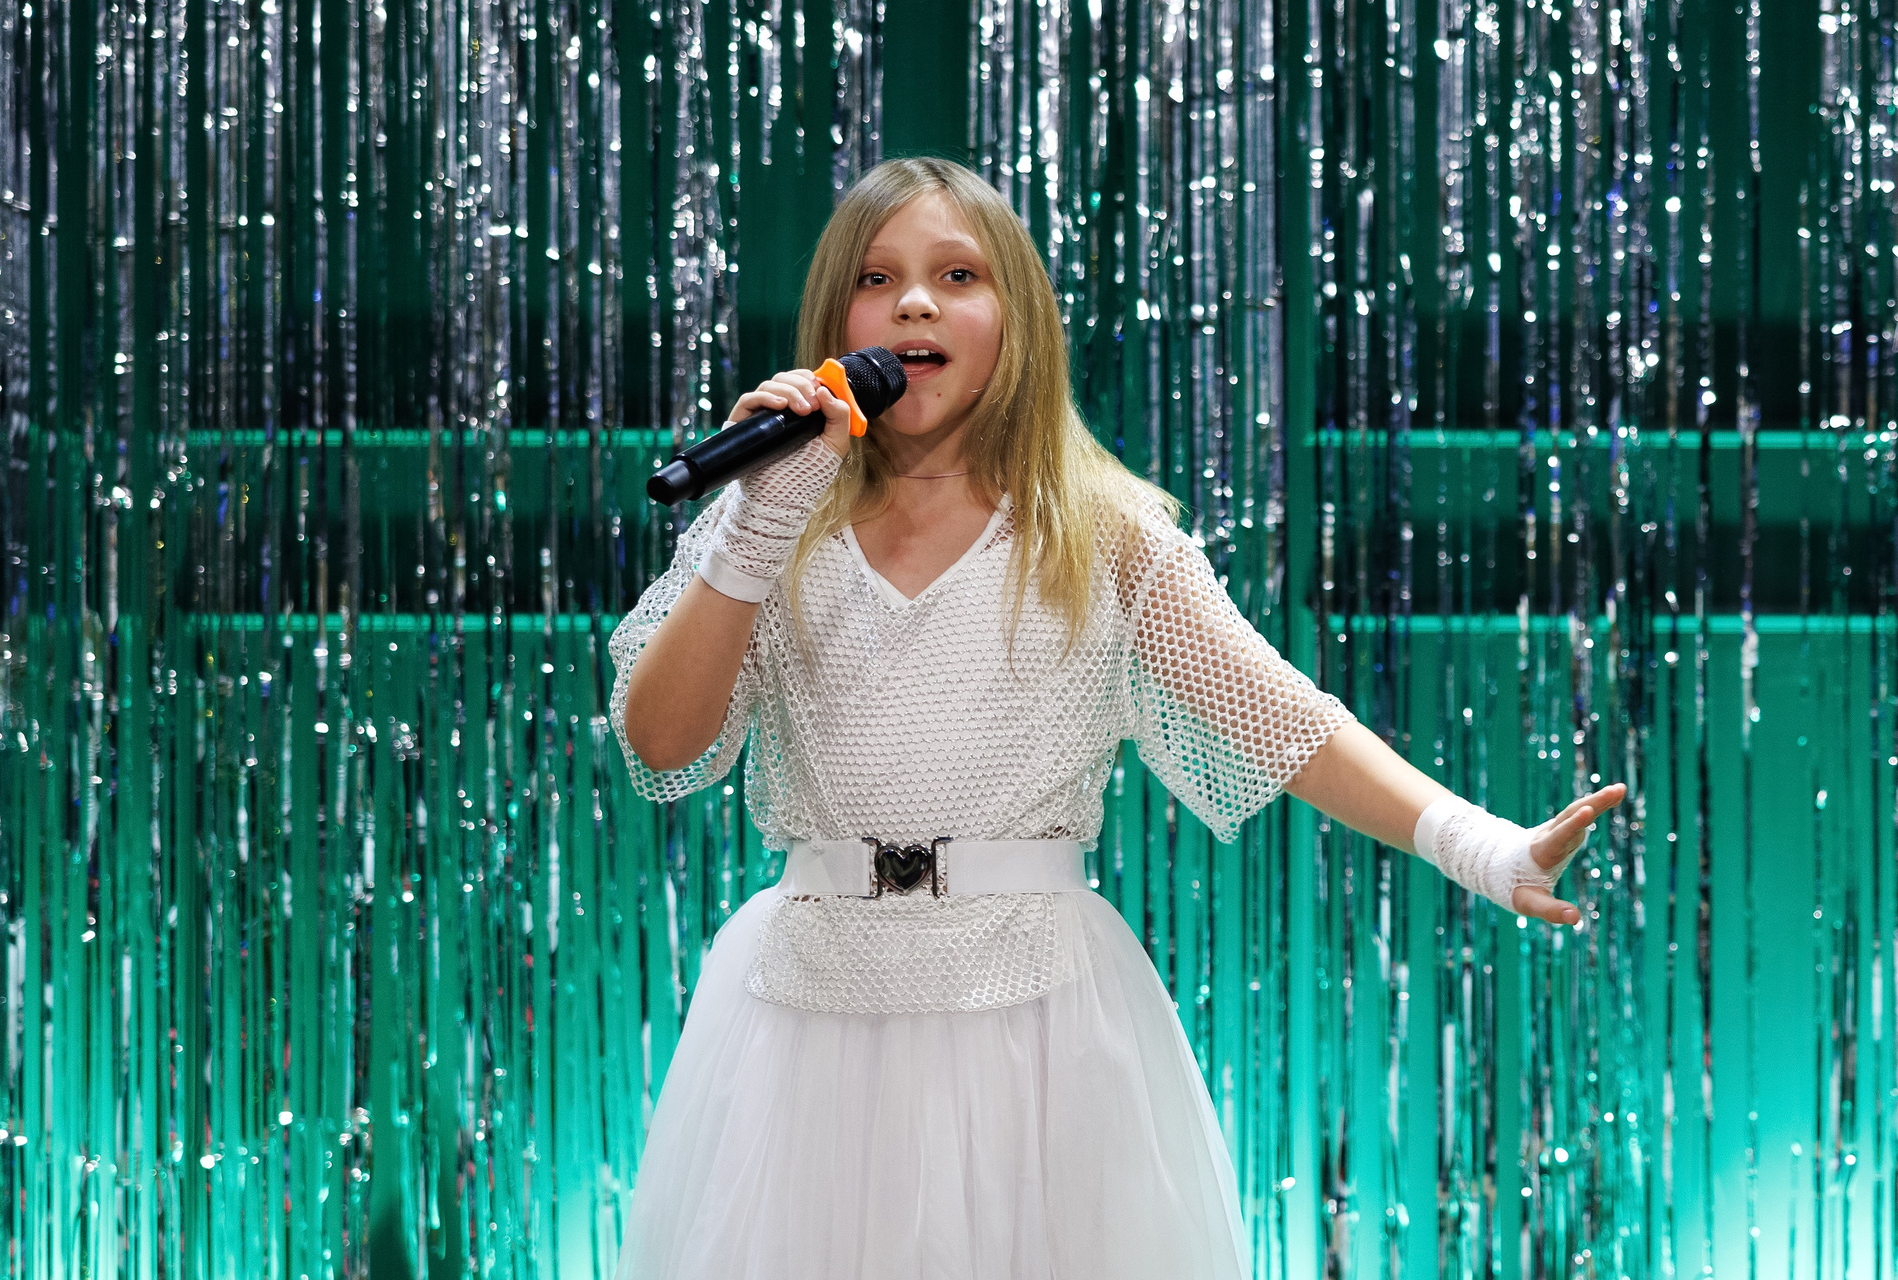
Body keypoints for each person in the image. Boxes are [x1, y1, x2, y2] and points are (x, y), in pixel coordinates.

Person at [608, 156, 1623, 1279]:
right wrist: (754, 529)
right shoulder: (770, 521)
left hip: (1034, 1027)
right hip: (808, 1020)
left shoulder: (1100, 532)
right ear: (833, 322)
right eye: (876, 279)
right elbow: (663, 742)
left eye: (958, 276)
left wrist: (1482, 847)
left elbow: (1286, 722)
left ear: (1020, 320)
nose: (914, 305)